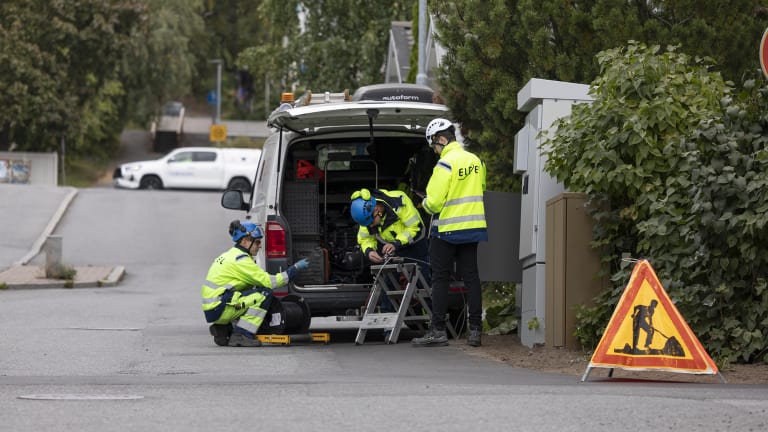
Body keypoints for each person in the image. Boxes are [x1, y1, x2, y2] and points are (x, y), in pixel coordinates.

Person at [411, 118, 488, 348]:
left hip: (447, 231)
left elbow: (434, 204)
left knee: (440, 279)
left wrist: (423, 202)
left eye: (434, 146)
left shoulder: (444, 165)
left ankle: (437, 330)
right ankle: (475, 331)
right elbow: (480, 189)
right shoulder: (476, 161)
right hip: (473, 228)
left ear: (441, 140)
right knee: (472, 278)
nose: (435, 151)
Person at [202, 219, 310, 347]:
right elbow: (270, 282)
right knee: (264, 294)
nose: (260, 246)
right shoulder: (241, 260)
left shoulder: (230, 255)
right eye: (257, 242)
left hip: (215, 307)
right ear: (245, 241)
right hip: (221, 306)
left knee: (253, 291)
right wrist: (295, 269)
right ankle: (242, 334)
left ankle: (223, 329)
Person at [350, 188, 430, 311]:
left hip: (415, 246)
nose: (370, 226)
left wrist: (396, 242)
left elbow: (415, 228)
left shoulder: (399, 203)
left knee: (423, 283)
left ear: (377, 210)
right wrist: (369, 251)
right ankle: (387, 323)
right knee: (387, 285)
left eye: (371, 223)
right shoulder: (366, 215)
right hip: (390, 249)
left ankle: (432, 319)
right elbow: (364, 239)